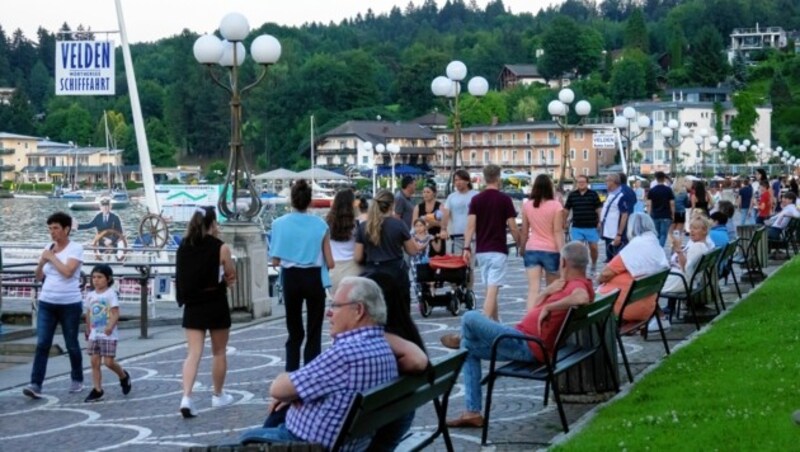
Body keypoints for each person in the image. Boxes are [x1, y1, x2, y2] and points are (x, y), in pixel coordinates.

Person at [240, 277, 424, 450]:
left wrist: (291, 387)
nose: (328, 312)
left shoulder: (347, 353)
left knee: (246, 439)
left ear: (358, 310)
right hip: (347, 444)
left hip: (307, 446)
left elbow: (278, 389)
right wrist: (299, 393)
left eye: (335, 306)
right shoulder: (385, 349)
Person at [440, 242, 594, 428]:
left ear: (563, 262)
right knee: (468, 349)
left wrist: (550, 307)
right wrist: (547, 292)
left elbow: (582, 298)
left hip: (526, 344)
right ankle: (473, 412)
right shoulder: (569, 285)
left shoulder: (578, 286)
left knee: (469, 317)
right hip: (524, 339)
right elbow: (534, 308)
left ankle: (461, 337)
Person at [175, 206, 237, 417]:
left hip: (193, 305)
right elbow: (230, 274)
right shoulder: (221, 247)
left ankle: (186, 396)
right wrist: (229, 279)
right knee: (219, 352)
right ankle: (218, 395)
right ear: (212, 224)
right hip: (215, 302)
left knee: (193, 353)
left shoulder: (183, 246)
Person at [271, 179, 335, 372]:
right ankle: (311, 370)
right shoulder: (320, 225)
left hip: (291, 277)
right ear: (310, 201)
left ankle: (291, 370)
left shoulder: (278, 224)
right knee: (314, 329)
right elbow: (330, 262)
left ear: (291, 200)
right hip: (314, 278)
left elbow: (275, 260)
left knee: (294, 327)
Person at [23, 212, 85, 399]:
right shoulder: (48, 248)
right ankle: (36, 384)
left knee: (71, 343)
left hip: (69, 303)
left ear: (66, 229)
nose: (52, 232)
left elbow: (68, 272)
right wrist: (42, 262)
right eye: (50, 229)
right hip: (47, 302)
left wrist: (51, 257)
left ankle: (77, 377)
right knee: (42, 343)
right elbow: (39, 276)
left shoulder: (76, 248)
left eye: (56, 228)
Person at [463, 164, 520, 321]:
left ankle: (496, 324)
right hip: (498, 249)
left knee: (490, 289)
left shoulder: (476, 200)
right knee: (493, 289)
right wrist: (520, 243)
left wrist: (466, 247)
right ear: (498, 178)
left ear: (485, 178)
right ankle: (484, 323)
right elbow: (513, 226)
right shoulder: (505, 199)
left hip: (481, 250)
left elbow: (470, 226)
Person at [597, 213, 669, 326]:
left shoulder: (635, 247)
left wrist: (599, 280)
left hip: (627, 307)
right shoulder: (654, 244)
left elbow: (605, 274)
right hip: (647, 305)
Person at [355, 189, 418, 312]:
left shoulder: (363, 227)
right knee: (400, 315)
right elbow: (412, 251)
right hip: (395, 273)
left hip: (372, 273)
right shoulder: (398, 225)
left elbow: (357, 256)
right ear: (392, 205)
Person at [83, 264, 132, 402]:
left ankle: (123, 376)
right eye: (94, 277)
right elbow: (88, 312)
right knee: (94, 361)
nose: (96, 280)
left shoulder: (111, 294)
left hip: (108, 334)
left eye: (99, 277)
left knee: (109, 362)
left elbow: (115, 313)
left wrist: (110, 326)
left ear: (108, 279)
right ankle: (97, 389)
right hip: (94, 333)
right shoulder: (90, 295)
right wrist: (87, 328)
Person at [520, 174, 564, 309]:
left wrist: (522, 248)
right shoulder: (556, 205)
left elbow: (525, 230)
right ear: (550, 187)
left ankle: (529, 320)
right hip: (551, 250)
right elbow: (558, 231)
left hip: (532, 249)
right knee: (552, 289)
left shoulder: (527, 205)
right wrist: (562, 252)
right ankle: (549, 319)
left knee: (533, 289)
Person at [661, 216, 712, 295]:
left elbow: (686, 269)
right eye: (691, 228)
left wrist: (679, 251)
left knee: (651, 285)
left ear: (704, 231)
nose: (691, 231)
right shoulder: (704, 245)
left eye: (695, 228)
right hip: (687, 279)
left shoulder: (698, 247)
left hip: (683, 280)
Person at [326, 189, 363, 295]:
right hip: (355, 269)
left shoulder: (328, 223)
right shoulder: (357, 224)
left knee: (338, 306)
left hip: (335, 270)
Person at [563, 175, 602, 274]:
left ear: (587, 183)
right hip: (577, 226)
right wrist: (564, 221)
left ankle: (593, 264)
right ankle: (580, 269)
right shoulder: (572, 195)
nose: (581, 184)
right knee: (577, 250)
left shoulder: (593, 194)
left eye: (583, 182)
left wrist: (600, 221)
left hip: (591, 226)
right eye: (579, 182)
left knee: (593, 248)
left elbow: (599, 209)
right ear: (577, 183)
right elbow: (566, 209)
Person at [600, 173, 631, 262]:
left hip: (614, 233)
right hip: (607, 231)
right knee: (609, 258)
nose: (605, 183)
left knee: (615, 259)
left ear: (614, 182)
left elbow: (624, 215)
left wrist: (619, 234)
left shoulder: (621, 196)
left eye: (607, 181)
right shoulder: (611, 194)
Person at [411, 184, 445, 257]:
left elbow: (444, 224)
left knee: (438, 260)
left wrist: (432, 224)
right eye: (424, 192)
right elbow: (413, 225)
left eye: (428, 192)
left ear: (434, 193)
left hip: (437, 237)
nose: (425, 194)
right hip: (422, 240)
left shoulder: (440, 206)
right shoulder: (418, 207)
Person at [647, 171, 675, 247]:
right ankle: (660, 248)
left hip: (655, 215)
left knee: (657, 234)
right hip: (666, 215)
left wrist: (649, 215)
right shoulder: (668, 190)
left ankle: (657, 249)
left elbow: (649, 204)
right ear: (664, 179)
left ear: (656, 179)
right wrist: (673, 214)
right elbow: (672, 204)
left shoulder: (652, 190)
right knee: (663, 234)